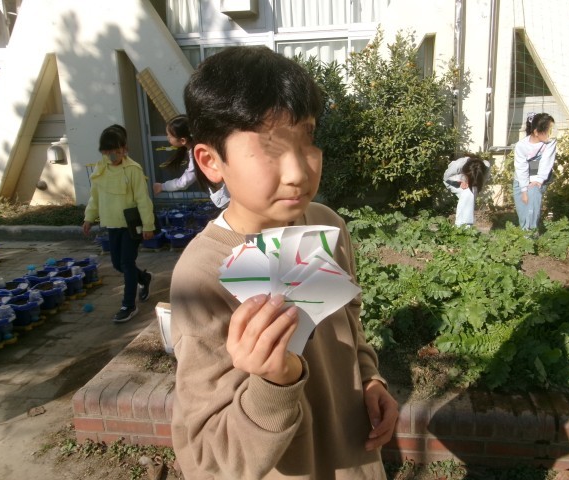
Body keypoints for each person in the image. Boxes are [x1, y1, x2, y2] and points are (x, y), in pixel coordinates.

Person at [170, 46, 399, 479]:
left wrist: (370, 378)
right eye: (270, 147)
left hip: (357, 457)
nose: (297, 172)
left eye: (307, 138)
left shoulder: (325, 224)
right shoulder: (202, 277)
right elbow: (208, 460)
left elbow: (348, 323)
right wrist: (274, 384)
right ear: (211, 161)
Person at [83, 125, 154, 323]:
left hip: (131, 226)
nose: (112, 155)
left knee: (127, 263)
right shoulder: (100, 169)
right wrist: (89, 217)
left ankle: (128, 305)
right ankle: (144, 278)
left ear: (124, 149)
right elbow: (94, 197)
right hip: (112, 224)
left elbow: (143, 199)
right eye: (107, 151)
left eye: (116, 150)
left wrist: (148, 225)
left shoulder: (133, 169)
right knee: (117, 263)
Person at [152, 114, 231, 209]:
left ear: (182, 140)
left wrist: (162, 186)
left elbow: (184, 182)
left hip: (228, 197)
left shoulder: (198, 155)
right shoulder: (207, 145)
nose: (167, 137)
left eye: (169, 135)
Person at [513, 112, 557, 231]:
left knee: (532, 204)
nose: (552, 134)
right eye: (549, 131)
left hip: (539, 179)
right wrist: (524, 190)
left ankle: (531, 234)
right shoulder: (521, 146)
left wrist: (539, 180)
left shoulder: (550, 142)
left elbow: (547, 161)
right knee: (523, 210)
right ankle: (525, 232)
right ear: (537, 132)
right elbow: (521, 168)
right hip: (521, 180)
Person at [443, 154, 490, 227]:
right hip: (452, 181)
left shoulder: (486, 166)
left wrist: (473, 185)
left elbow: (483, 181)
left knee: (469, 193)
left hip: (469, 182)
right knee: (468, 192)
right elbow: (446, 177)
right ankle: (461, 225)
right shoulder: (458, 165)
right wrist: (459, 182)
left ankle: (464, 226)